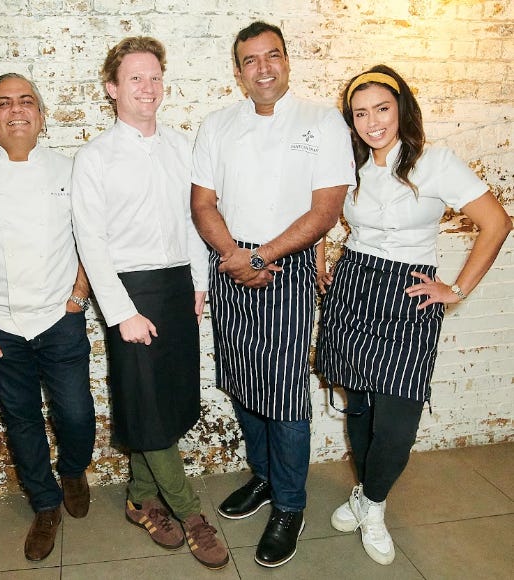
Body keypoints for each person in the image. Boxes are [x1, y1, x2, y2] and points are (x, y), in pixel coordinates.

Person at [315, 64, 512, 565]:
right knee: (358, 404)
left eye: (382, 108)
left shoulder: (436, 162)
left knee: (397, 421)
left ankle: (372, 503)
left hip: (409, 295)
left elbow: (497, 222)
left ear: (402, 109)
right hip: (355, 286)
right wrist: (323, 255)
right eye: (360, 113)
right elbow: (320, 213)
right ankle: (364, 494)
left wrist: (458, 289)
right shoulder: (351, 165)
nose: (372, 122)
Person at [191, 21, 356, 568]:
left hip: (285, 264)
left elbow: (325, 210)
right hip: (230, 261)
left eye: (273, 56)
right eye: (251, 60)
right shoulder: (217, 125)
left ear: (287, 62)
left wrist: (263, 257)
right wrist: (236, 258)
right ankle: (263, 477)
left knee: (283, 393)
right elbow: (203, 204)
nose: (264, 68)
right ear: (238, 73)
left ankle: (290, 504)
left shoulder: (322, 120)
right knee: (241, 377)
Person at [71, 37, 229, 570]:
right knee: (150, 405)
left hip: (178, 284)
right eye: (135, 77)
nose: (148, 87)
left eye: (155, 76)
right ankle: (189, 515)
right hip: (130, 293)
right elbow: (90, 241)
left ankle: (140, 499)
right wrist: (122, 313)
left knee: (165, 401)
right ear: (113, 88)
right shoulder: (94, 156)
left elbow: (193, 219)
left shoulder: (183, 146)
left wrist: (199, 282)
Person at [0, 73, 96, 562]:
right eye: (4, 104)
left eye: (27, 101)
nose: (17, 110)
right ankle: (45, 504)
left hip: (59, 317)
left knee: (75, 412)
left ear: (42, 116)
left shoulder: (71, 171)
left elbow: (92, 239)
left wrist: (77, 297)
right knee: (21, 419)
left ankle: (72, 468)